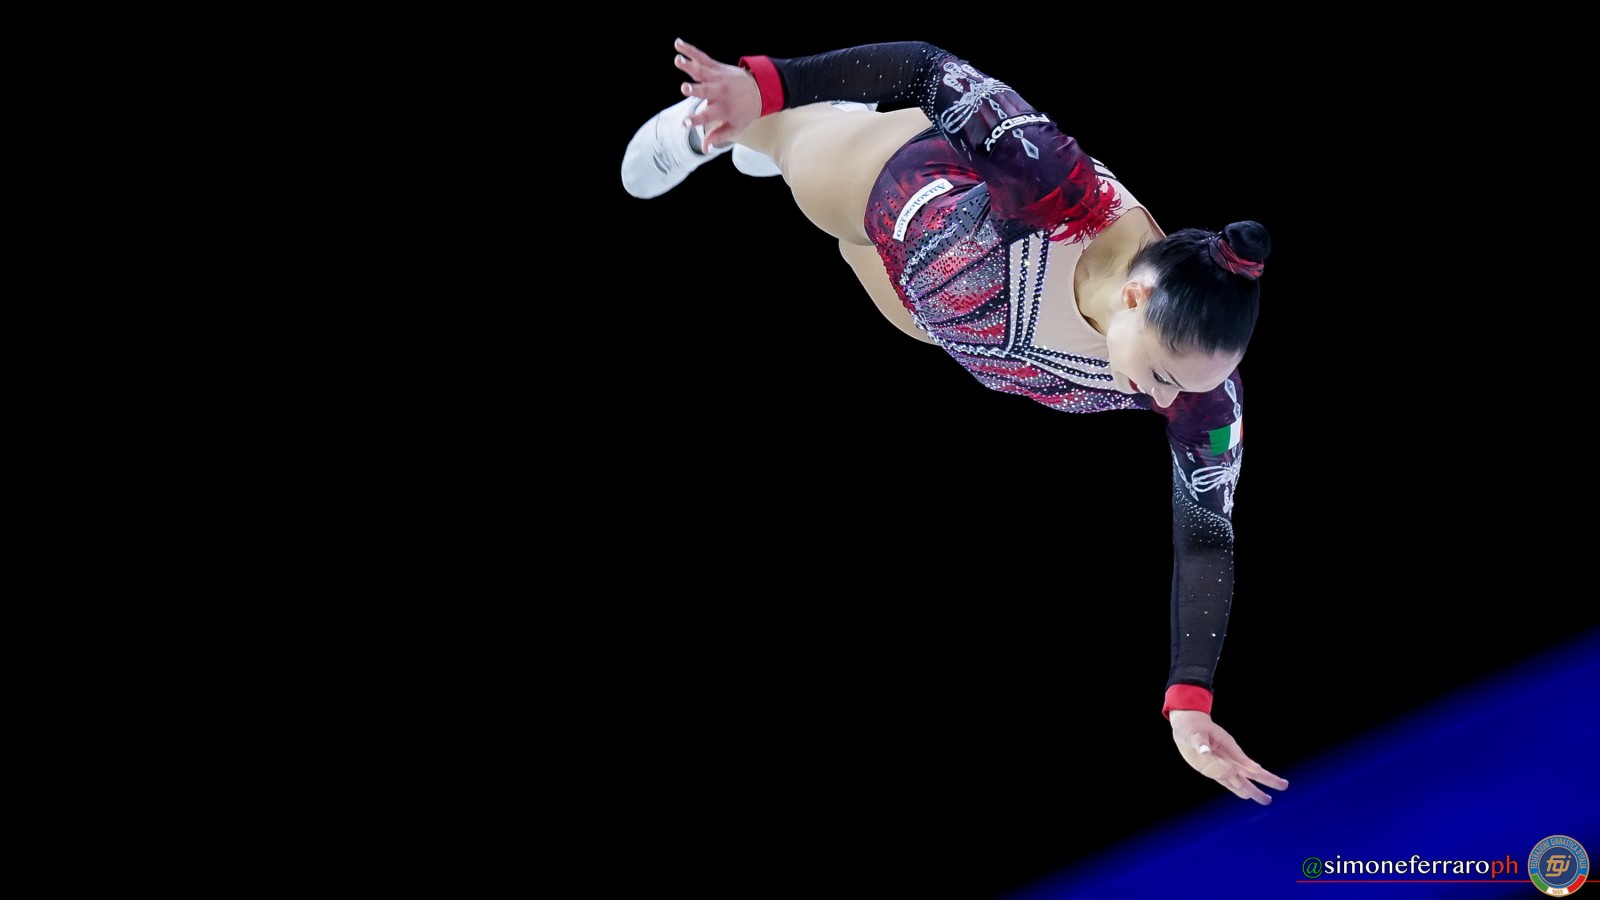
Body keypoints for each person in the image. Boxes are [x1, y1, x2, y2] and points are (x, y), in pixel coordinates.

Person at [620, 37, 1289, 806]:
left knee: (846, 254)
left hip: (939, 311)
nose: (1169, 402)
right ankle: (740, 122)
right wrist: (769, 87)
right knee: (792, 151)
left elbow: (1206, 534)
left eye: (1189, 389)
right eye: (1165, 377)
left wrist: (1190, 699)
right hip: (899, 193)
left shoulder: (1204, 396)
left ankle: (802, 124)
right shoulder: (1049, 176)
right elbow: (924, 66)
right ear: (1136, 297)